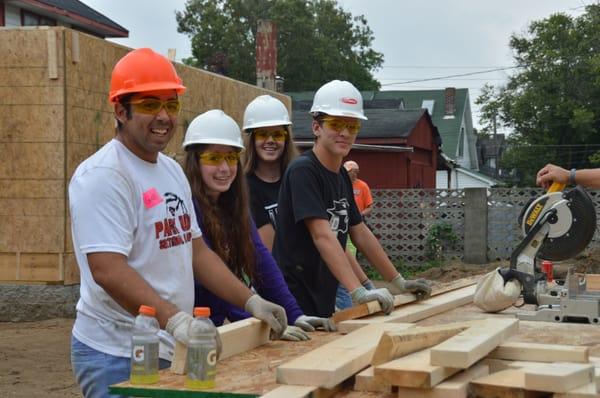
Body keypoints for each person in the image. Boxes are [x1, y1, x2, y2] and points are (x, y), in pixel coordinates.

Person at [68, 48, 287, 398]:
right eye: (150, 104)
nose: (164, 116)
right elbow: (107, 269)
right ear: (120, 111)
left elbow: (196, 252)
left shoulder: (170, 171)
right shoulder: (104, 176)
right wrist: (175, 319)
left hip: (169, 347)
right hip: (117, 352)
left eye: (171, 105)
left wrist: (251, 302)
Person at [272, 80, 432, 318]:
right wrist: (358, 292)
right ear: (316, 127)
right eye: (336, 124)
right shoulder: (303, 171)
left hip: (321, 290)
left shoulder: (341, 177)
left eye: (352, 125)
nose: (345, 133)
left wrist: (397, 281)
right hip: (294, 297)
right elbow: (322, 235)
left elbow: (360, 233)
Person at [182, 109, 334, 339]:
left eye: (231, 158)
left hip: (208, 328)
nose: (224, 168)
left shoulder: (232, 205)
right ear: (194, 161)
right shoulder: (187, 206)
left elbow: (260, 258)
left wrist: (295, 315)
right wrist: (257, 316)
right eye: (213, 158)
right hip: (182, 329)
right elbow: (209, 279)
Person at [242, 95, 298, 251]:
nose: (271, 140)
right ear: (251, 140)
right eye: (262, 134)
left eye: (278, 134)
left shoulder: (297, 179)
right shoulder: (245, 187)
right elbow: (270, 250)